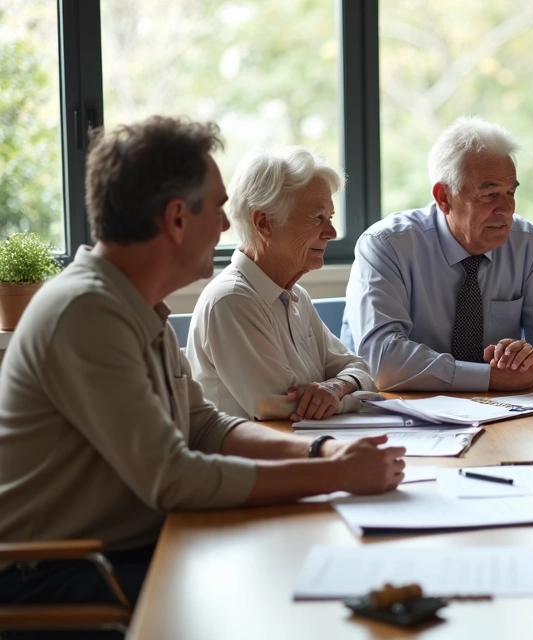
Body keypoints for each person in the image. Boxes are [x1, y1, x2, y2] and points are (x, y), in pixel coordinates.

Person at [0, 117, 404, 636]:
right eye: (217, 209)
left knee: (302, 572)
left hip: (125, 546)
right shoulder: (85, 313)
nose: (224, 224)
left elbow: (206, 427)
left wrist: (321, 452)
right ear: (175, 219)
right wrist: (334, 476)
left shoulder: (135, 306)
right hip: (58, 574)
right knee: (277, 594)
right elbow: (174, 477)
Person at [342, 116, 533, 392]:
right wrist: (488, 377)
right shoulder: (387, 245)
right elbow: (381, 361)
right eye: (490, 194)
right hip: (402, 415)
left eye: (510, 192)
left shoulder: (526, 243)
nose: (506, 209)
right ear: (443, 198)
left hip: (500, 413)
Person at [187, 146, 374, 421]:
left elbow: (359, 368)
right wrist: (348, 399)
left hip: (303, 448)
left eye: (330, 218)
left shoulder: (295, 296)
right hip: (250, 460)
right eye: (317, 217)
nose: (332, 233)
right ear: (264, 223)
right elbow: (279, 408)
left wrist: (337, 386)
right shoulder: (231, 300)